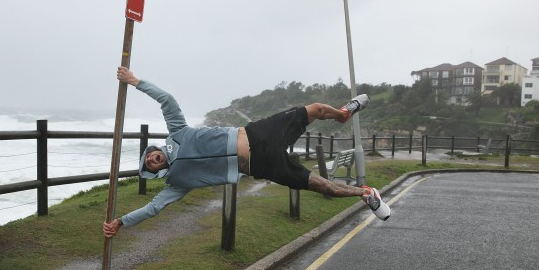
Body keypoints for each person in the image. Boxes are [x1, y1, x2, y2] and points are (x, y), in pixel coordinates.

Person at [103, 67, 390, 238]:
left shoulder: (178, 132)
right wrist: (121, 222)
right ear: (156, 172)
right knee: (320, 185)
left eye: (150, 155)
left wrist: (135, 81)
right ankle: (367, 194)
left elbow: (167, 99)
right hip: (259, 165)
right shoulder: (177, 183)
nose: (152, 159)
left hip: (257, 133)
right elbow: (154, 208)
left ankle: (342, 113)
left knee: (314, 109)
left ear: (155, 150)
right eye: (150, 165)